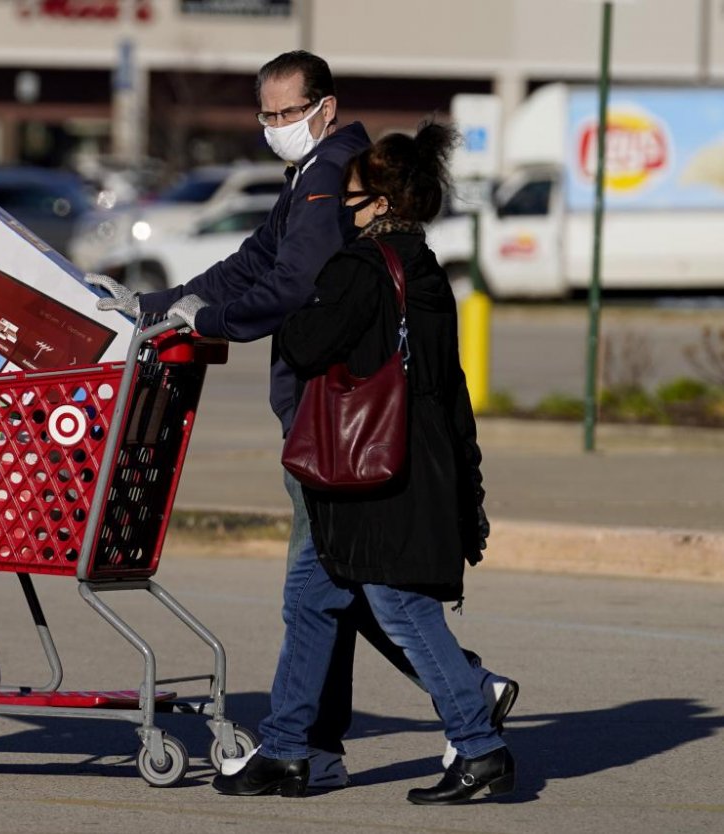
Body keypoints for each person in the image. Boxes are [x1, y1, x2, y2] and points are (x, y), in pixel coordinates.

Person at [87, 50, 516, 789]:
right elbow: (259, 260)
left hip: (348, 445)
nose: (278, 127)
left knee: (379, 597)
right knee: (322, 594)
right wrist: (164, 306)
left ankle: (467, 723)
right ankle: (299, 744)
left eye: (289, 112)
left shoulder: (336, 197)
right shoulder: (405, 255)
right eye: (269, 114)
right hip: (365, 442)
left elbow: (295, 298)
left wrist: (209, 318)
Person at [215, 121, 517, 805]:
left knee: (400, 606)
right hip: (415, 463)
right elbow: (451, 386)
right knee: (313, 599)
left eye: (351, 197)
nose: (342, 208)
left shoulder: (357, 271)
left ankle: (479, 743)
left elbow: (305, 341)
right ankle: (289, 748)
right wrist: (469, 486)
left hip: (362, 475)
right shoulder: (425, 268)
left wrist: (305, 283)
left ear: (379, 203)